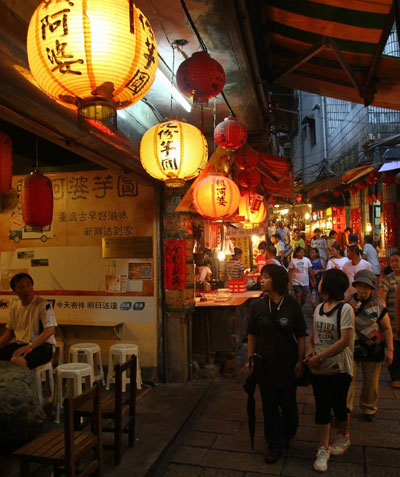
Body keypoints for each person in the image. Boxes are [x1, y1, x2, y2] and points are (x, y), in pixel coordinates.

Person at [247, 264, 307, 463]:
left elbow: (300, 334)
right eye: (261, 277)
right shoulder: (258, 306)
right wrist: (250, 358)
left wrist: (300, 360)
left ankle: (289, 432)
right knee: (269, 406)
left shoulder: (291, 305)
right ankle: (273, 444)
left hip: (288, 362)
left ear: (278, 281)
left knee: (289, 405)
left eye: (266, 277)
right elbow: (252, 334)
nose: (261, 280)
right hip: (265, 363)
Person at [305, 269, 354, 473]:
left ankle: (343, 436)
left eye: (322, 280)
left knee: (340, 406)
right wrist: (310, 352)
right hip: (319, 368)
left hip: (339, 368)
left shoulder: (345, 310)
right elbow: (314, 334)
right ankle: (322, 448)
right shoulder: (318, 308)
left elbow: (345, 341)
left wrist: (320, 356)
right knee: (322, 407)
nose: (319, 282)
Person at [347, 270, 393, 422]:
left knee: (371, 383)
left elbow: (386, 328)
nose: (362, 290)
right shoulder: (348, 302)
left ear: (372, 288)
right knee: (348, 381)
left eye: (366, 287)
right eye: (359, 286)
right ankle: (345, 409)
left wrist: (390, 350)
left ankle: (369, 408)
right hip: (352, 349)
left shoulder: (378, 305)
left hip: (374, 350)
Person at [0, 273, 57, 369]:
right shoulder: (15, 307)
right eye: (20, 287)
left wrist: (31, 346)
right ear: (14, 291)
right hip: (20, 344)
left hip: (43, 346)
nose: (25, 289)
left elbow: (50, 330)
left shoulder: (43, 304)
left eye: (28, 285)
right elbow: (10, 331)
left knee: (17, 360)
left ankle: (22, 384)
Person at [378, 251, 400, 388]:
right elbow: (381, 299)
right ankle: (395, 376)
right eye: (392, 261)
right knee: (395, 348)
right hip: (392, 319)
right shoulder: (388, 280)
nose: (394, 264)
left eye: (397, 261)